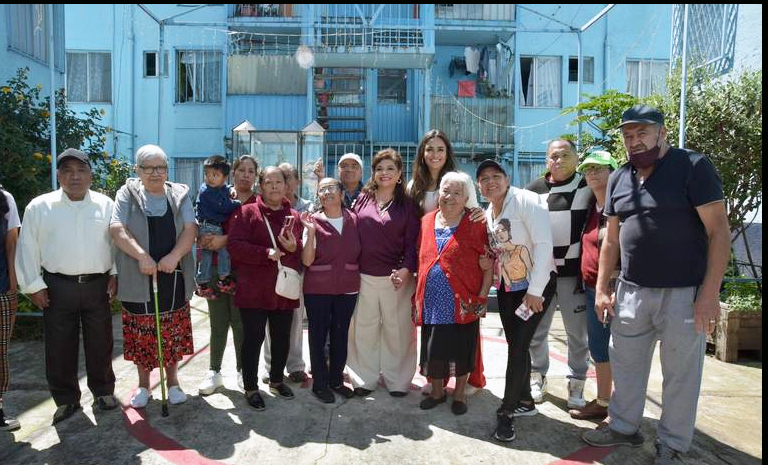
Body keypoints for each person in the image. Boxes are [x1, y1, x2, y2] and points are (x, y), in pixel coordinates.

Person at [582, 105, 730, 464]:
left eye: (642, 133)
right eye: (628, 136)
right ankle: (623, 426)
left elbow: (719, 231)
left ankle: (673, 444)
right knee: (627, 364)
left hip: (684, 294)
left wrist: (709, 295)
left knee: (680, 374)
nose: (635, 142)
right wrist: (602, 288)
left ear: (662, 133)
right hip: (631, 292)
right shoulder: (619, 177)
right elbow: (611, 240)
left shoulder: (692, 166)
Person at [15, 149, 118, 424]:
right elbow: (27, 248)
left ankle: (104, 392)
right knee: (59, 345)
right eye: (68, 171)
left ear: (90, 175)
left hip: (97, 284)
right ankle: (66, 399)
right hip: (57, 286)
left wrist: (115, 273)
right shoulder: (39, 207)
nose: (75, 176)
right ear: (58, 175)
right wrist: (33, 285)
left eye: (81, 170)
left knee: (101, 341)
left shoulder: (105, 205)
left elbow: (115, 243)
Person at [110, 144, 197, 409]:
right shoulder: (127, 193)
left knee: (171, 330)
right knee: (141, 332)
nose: (155, 173)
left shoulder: (179, 194)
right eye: (148, 168)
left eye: (160, 167)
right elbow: (117, 229)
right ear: (138, 170)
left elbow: (190, 229)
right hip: (138, 274)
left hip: (173, 274)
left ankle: (173, 383)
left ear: (166, 169)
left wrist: (174, 256)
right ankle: (144, 386)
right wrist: (141, 256)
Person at [476, 160, 556, 442]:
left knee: (519, 348)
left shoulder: (526, 200)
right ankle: (525, 401)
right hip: (509, 289)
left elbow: (545, 244)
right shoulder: (489, 212)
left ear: (507, 179)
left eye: (495, 176)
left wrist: (536, 290)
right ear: (479, 186)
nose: (490, 182)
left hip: (535, 288)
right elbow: (502, 251)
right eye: (484, 178)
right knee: (516, 346)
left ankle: (506, 412)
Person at [408, 129, 487, 396]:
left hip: (459, 259)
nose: (434, 154)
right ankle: (436, 382)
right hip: (429, 254)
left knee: (464, 330)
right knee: (434, 333)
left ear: (448, 152)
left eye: (440, 149)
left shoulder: (459, 180)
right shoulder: (413, 185)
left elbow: (474, 213)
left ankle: (468, 380)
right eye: (429, 149)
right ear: (422, 153)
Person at [415, 172, 492, 415]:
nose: (449, 197)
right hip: (432, 301)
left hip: (465, 300)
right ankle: (437, 392)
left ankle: (459, 395)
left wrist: (481, 299)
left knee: (462, 348)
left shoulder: (476, 221)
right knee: (433, 348)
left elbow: (487, 262)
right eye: (445, 191)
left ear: (467, 198)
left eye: (457, 193)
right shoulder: (427, 220)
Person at [227, 166, 303, 411]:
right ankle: (250, 387)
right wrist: (265, 253)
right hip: (253, 289)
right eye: (269, 182)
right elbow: (235, 246)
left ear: (286, 185)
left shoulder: (293, 215)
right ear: (261, 186)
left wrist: (293, 249)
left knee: (282, 339)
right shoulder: (247, 212)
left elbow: (300, 251)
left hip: (283, 289)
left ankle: (277, 380)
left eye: (278, 182)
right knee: (253, 339)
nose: (274, 187)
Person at [525, 139, 593, 408]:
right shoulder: (532, 191)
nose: (559, 160)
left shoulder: (588, 186)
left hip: (574, 277)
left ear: (577, 158)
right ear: (546, 160)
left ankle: (577, 382)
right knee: (536, 330)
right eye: (554, 156)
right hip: (540, 276)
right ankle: (536, 376)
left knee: (577, 334)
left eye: (566, 155)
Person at [346, 149, 420, 397]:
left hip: (396, 278)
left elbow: (412, 243)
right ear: (373, 173)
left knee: (397, 330)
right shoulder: (363, 199)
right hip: (364, 276)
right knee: (363, 329)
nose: (384, 173)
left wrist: (406, 270)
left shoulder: (408, 206)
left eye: (390, 168)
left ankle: (397, 380)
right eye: (379, 168)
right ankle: (363, 378)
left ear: (400, 174)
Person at [196, 155, 258, 395]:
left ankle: (243, 370)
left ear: (255, 175)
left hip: (245, 271)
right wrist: (202, 236)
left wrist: (225, 239)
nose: (245, 174)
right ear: (232, 173)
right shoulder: (219, 193)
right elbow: (199, 219)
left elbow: (258, 236)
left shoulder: (258, 202)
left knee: (240, 323)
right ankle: (214, 371)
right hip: (215, 267)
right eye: (241, 170)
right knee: (218, 321)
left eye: (250, 170)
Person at [299, 177, 361, 403]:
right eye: (321, 190)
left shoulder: (354, 219)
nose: (326, 192)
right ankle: (320, 383)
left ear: (342, 194)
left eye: (331, 188)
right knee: (317, 336)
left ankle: (336, 379)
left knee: (340, 334)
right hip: (318, 289)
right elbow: (306, 260)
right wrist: (311, 233)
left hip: (347, 287)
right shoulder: (311, 221)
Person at [569, 150, 619, 422]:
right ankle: (603, 402)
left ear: (613, 172)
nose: (592, 173)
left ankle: (619, 408)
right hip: (591, 290)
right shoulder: (590, 208)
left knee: (619, 350)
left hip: (613, 291)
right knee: (599, 347)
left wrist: (609, 286)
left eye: (599, 168)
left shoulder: (621, 209)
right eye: (588, 169)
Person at [257, 162, 310, 385]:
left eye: (287, 178)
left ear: (295, 182)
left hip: (295, 273)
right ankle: (270, 367)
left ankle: (296, 365)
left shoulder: (304, 209)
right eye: (278, 179)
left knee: (296, 322)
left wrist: (294, 247)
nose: (282, 184)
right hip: (269, 274)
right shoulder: (262, 207)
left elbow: (305, 244)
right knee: (270, 325)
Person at [194, 155, 241, 299]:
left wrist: (230, 189)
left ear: (225, 177)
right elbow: (223, 206)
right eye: (207, 174)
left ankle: (203, 283)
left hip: (207, 224)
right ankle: (224, 278)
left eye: (215, 175)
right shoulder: (207, 191)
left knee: (206, 255)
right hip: (210, 226)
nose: (210, 178)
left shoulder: (217, 187)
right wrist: (237, 203)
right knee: (223, 251)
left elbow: (223, 189)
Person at [0, 185, 21, 430]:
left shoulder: (5, 198)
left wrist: (12, 289)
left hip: (1, 289)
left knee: (0, 352)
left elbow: (12, 244)